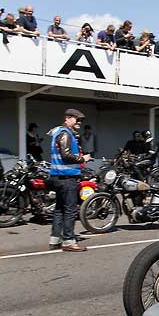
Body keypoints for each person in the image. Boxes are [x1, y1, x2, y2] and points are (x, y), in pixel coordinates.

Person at [49, 108, 91, 252]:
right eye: (76, 119)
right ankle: (68, 240)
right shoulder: (65, 134)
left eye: (81, 120)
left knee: (59, 209)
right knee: (70, 210)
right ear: (67, 119)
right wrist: (82, 158)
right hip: (67, 177)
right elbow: (66, 155)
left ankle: (55, 239)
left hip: (58, 176)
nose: (79, 122)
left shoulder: (60, 132)